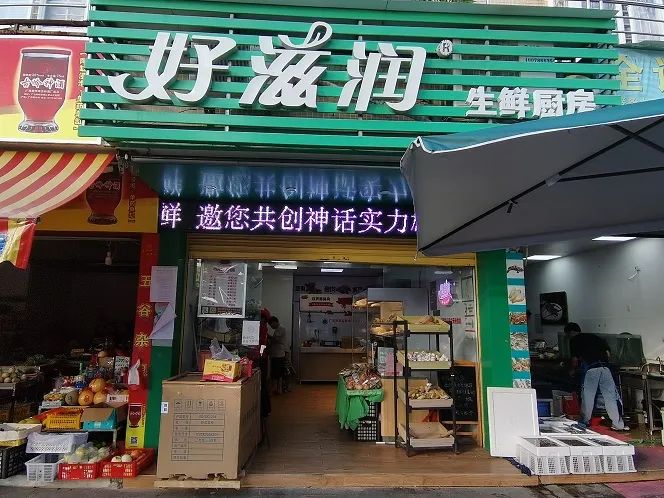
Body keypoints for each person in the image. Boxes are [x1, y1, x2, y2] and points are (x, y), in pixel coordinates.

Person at [566, 322, 628, 431]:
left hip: (591, 370)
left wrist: (572, 370)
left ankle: (584, 422)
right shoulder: (595, 337)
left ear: (570, 333)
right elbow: (608, 353)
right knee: (610, 398)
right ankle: (618, 425)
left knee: (588, 397)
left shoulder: (574, 340)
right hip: (605, 369)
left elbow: (575, 360)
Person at [267, 316, 288, 395]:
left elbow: (275, 339)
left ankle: (276, 389)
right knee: (277, 372)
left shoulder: (281, 328)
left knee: (276, 372)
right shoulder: (278, 329)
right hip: (277, 354)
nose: (271, 326)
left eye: (271, 324)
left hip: (278, 354)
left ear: (275, 322)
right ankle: (278, 389)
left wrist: (268, 337)